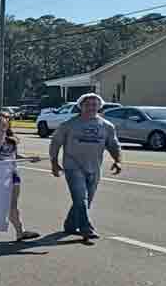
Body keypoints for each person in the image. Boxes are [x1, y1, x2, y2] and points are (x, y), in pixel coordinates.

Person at [50, 92, 122, 243]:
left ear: (99, 106)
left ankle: (70, 225)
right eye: (87, 104)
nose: (91, 107)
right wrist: (54, 162)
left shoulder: (107, 126)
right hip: (73, 166)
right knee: (80, 198)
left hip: (94, 167)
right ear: (81, 106)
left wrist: (117, 160)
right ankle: (86, 230)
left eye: (94, 105)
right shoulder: (69, 124)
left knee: (86, 200)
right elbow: (55, 142)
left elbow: (113, 144)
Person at [0, 112, 41, 240]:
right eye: (1, 120)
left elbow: (13, 155)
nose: (5, 122)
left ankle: (20, 232)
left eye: (7, 120)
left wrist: (29, 158)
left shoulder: (11, 137)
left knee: (12, 204)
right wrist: (2, 130)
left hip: (12, 173)